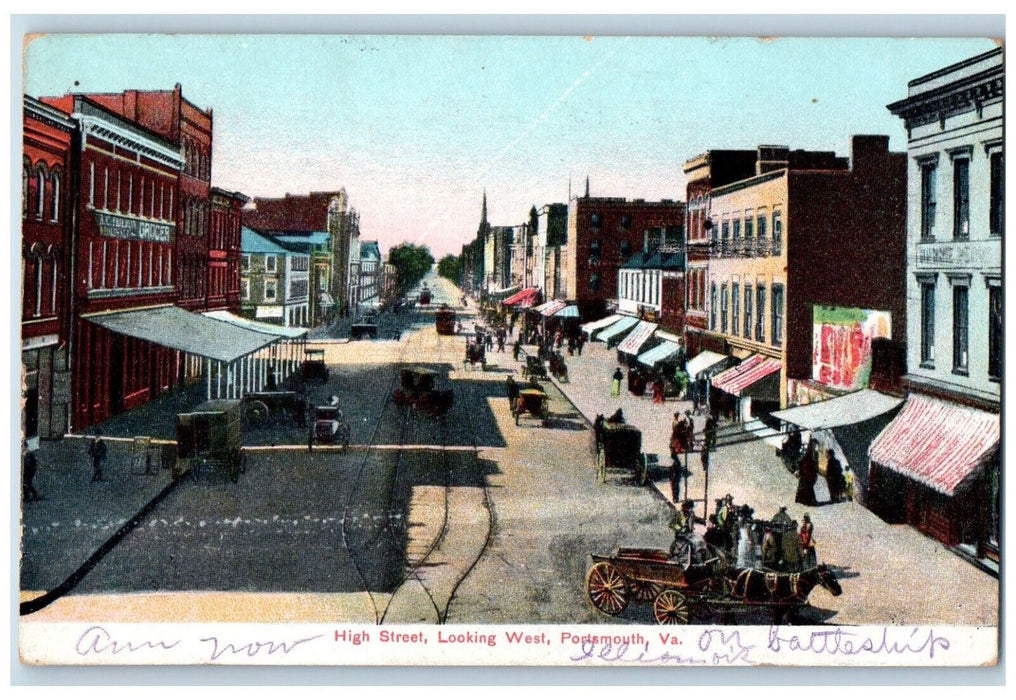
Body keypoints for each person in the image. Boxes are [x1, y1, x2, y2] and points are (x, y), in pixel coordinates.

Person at [795, 440, 819, 507]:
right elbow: (801, 461)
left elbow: (815, 464)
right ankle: (806, 501)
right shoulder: (809, 453)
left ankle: (806, 501)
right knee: (806, 488)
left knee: (807, 488)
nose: (815, 447)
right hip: (806, 473)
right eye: (814, 445)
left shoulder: (814, 453)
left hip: (808, 473)